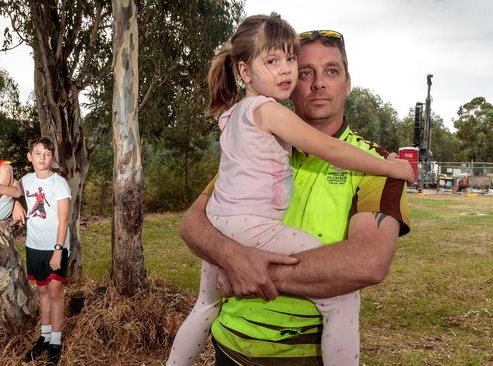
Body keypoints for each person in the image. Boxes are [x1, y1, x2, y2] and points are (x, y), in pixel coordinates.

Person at [168, 14, 413, 366]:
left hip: (299, 355)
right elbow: (190, 223)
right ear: (247, 71)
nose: (316, 84)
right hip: (230, 348)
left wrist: (244, 269)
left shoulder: (371, 164)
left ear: (348, 83)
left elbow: (368, 264)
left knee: (204, 302)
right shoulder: (266, 135)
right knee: (342, 301)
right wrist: (233, 257)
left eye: (331, 71)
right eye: (305, 71)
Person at [0, 137, 71, 365]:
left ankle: (56, 341)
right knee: (42, 293)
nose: (42, 158)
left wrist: (57, 250)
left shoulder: (59, 183)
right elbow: (13, 191)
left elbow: (63, 221)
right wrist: (14, 202)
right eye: (37, 153)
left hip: (55, 247)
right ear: (29, 157)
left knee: (55, 293)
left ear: (52, 158)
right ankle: (43, 337)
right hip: (34, 246)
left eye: (46, 154)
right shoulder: (26, 180)